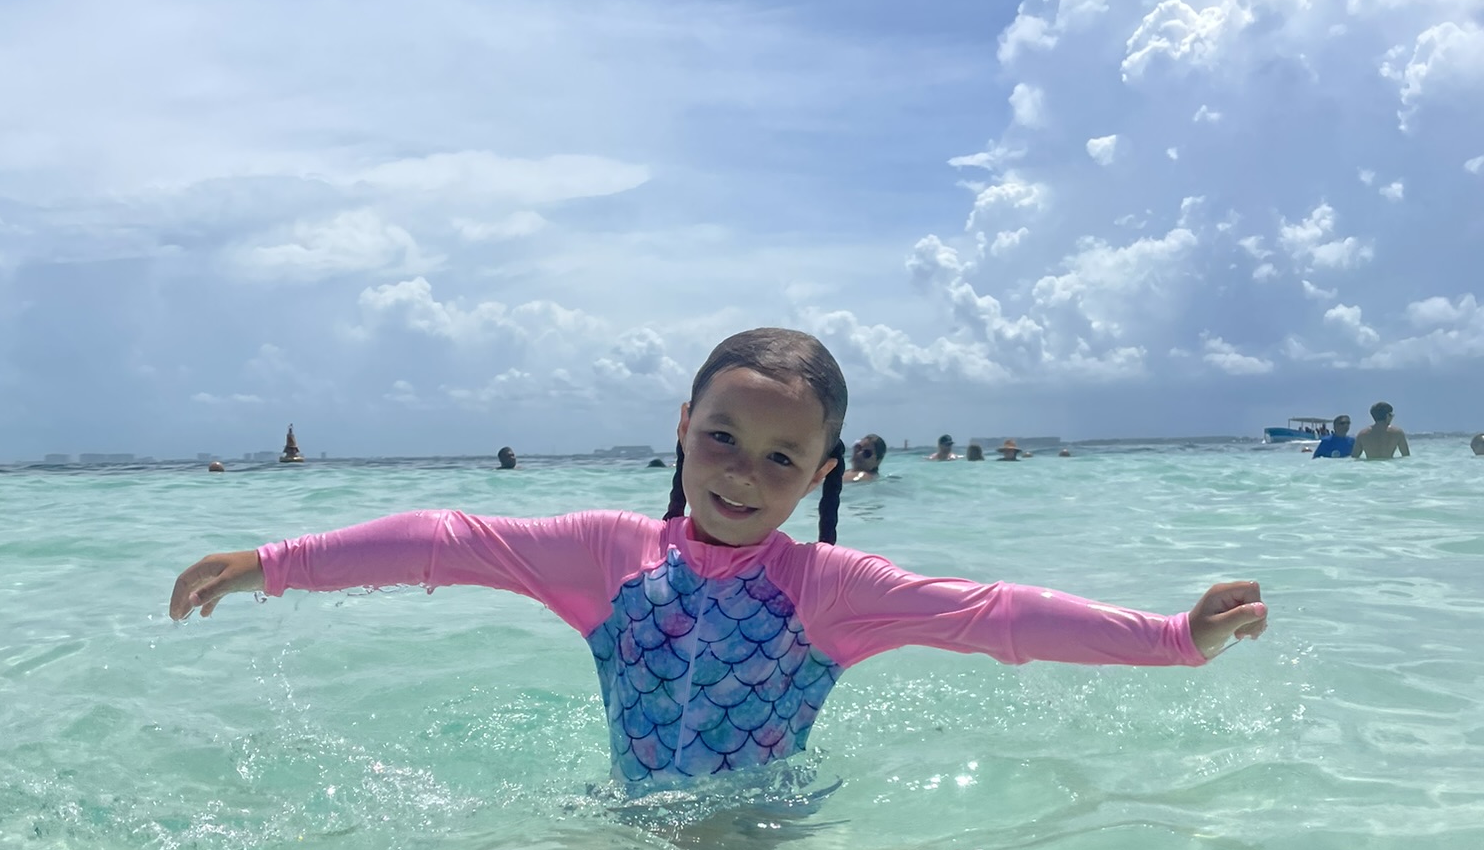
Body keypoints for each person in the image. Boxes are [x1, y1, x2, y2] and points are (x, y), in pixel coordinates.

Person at [170, 328, 1269, 789]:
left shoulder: (831, 592)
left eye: (781, 458)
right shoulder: (609, 557)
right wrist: (270, 558)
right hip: (627, 831)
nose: (743, 475)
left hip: (764, 845)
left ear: (823, 471)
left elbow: (1000, 617)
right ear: (682, 423)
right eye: (722, 440)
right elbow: (448, 543)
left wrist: (1176, 638)